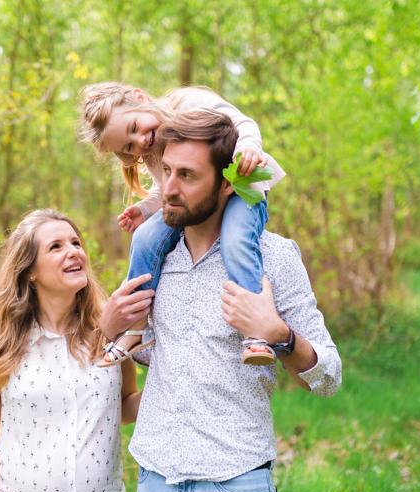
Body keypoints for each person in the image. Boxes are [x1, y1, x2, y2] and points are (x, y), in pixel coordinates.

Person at [99, 110, 343, 492]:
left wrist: (280, 335)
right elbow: (153, 353)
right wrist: (109, 328)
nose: (168, 188)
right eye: (166, 171)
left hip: (236, 488)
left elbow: (329, 378)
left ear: (228, 183)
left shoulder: (274, 259)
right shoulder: (154, 256)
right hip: (157, 482)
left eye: (187, 176)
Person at [0, 209, 141, 492]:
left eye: (76, 243)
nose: (73, 251)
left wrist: (175, 387)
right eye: (56, 246)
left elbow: (124, 405)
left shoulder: (110, 328)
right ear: (30, 270)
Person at [78, 82, 287, 367]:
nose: (139, 141)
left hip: (241, 188)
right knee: (144, 239)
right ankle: (137, 328)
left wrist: (249, 147)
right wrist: (145, 209)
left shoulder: (189, 102)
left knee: (236, 240)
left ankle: (255, 333)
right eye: (128, 146)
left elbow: (243, 122)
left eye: (135, 126)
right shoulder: (150, 151)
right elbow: (164, 188)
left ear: (140, 98)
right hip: (194, 204)